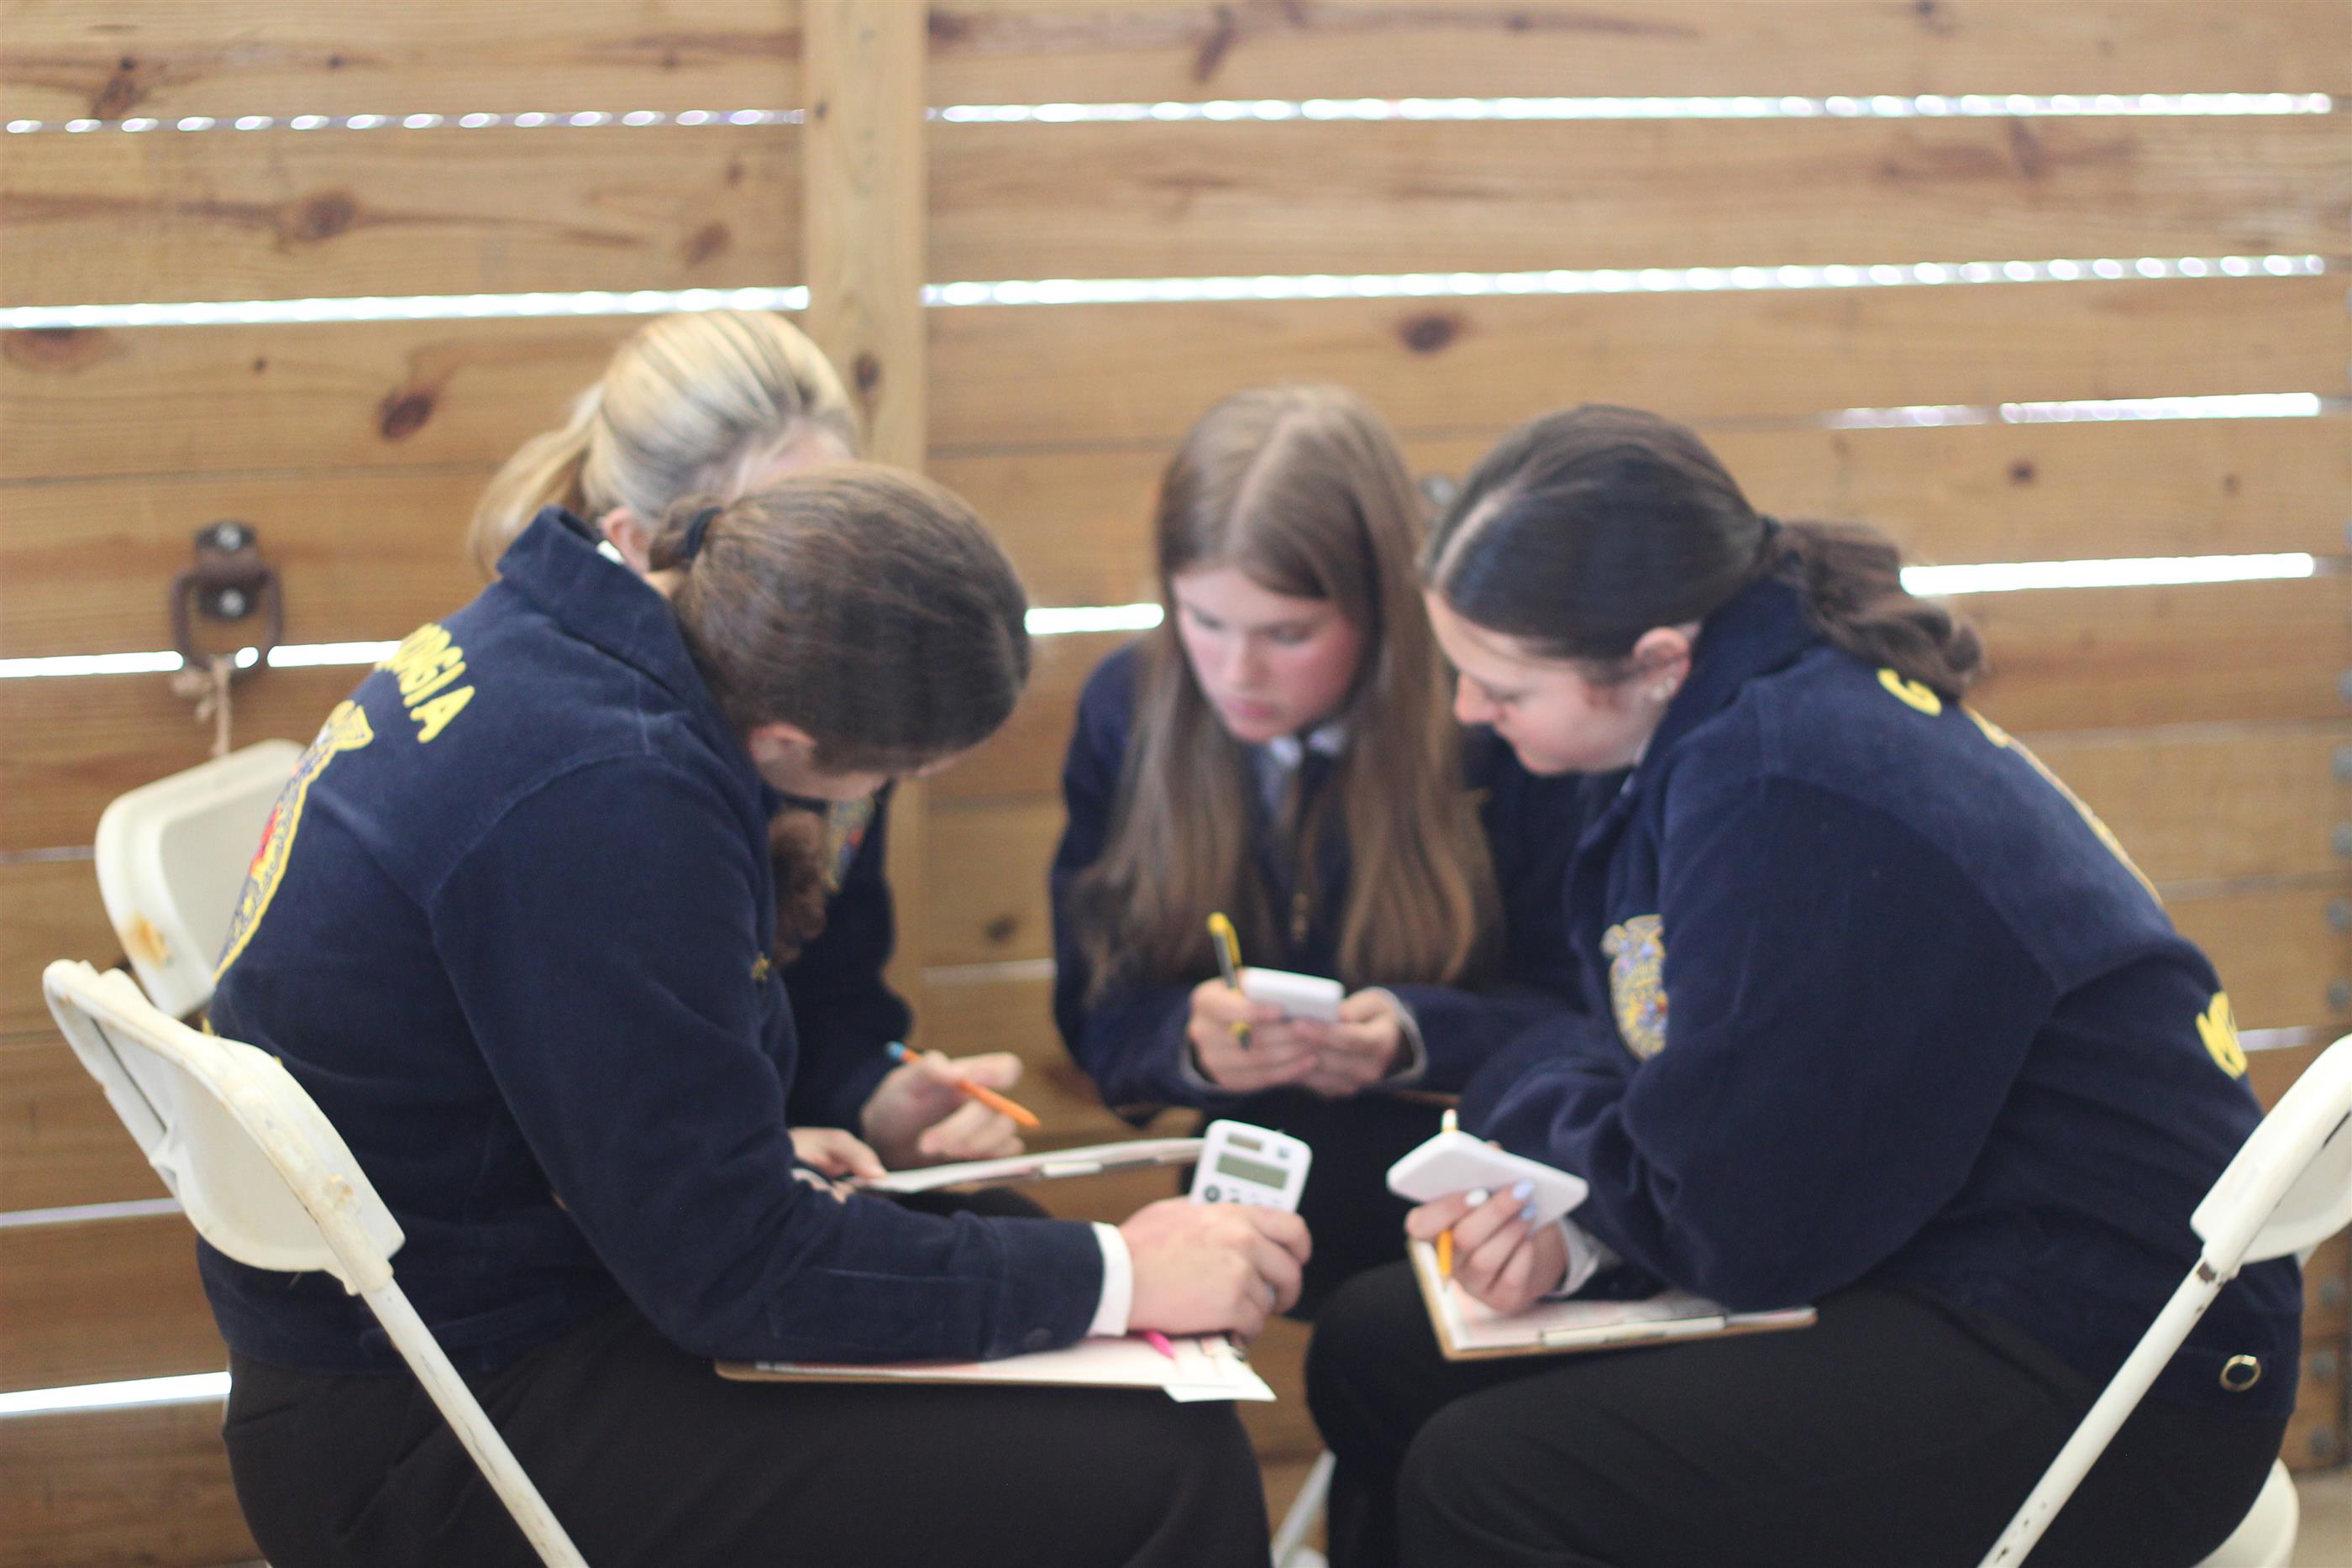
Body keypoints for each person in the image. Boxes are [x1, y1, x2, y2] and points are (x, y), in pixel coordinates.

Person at [207, 469, 1309, 1568]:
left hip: (457, 1311)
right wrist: (1123, 1272)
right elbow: (730, 1273)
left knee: (1006, 1250)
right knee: (1167, 1454)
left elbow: (542, 1067)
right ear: (784, 741)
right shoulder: (614, 791)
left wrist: (742, 1150)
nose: (868, 804)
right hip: (429, 1427)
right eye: (886, 777)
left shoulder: (547, 639)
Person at [1304, 404, 2302, 1568]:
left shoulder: (1782, 779)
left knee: (1487, 1478)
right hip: (1933, 1247)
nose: (1468, 712)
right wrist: (1577, 1220)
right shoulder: (1739, 715)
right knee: (1377, 1349)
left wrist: (1545, 1141)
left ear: (1657, 659)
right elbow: (1680, 1097)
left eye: (1502, 687)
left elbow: (1729, 1219)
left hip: (2115, 1365)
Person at [1052, 384, 1583, 1313]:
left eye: (1287, 633)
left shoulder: (1495, 713)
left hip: (1490, 1151)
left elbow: (1590, 1011)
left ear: (1382, 607)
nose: (1236, 673)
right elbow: (1097, 1013)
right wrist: (1189, 1043)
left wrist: (1416, 1036)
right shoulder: (1126, 707)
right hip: (1256, 1150)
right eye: (1203, 620)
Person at [471, 308, 1013, 1174]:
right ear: (637, 546)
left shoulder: (834, 686)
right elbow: (610, 1120)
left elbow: (826, 994)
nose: (823, 588)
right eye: (761, 550)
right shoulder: (592, 763)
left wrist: (873, 1096)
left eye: (836, 532)